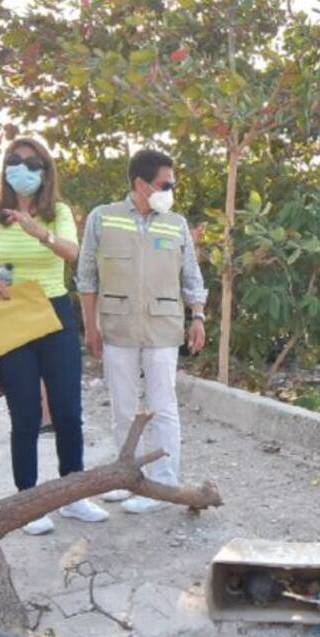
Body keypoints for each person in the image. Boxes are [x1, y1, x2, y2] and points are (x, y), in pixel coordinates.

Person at [0, 137, 108, 535]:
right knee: (25, 413)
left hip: (53, 311)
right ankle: (26, 501)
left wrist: (37, 231)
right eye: (15, 160)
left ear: (45, 171)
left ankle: (73, 495)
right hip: (12, 315)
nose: (23, 167)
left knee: (67, 410)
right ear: (5, 167)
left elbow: (72, 252)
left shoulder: (57, 211)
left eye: (33, 162)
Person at [77, 148, 208, 514]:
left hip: (163, 328)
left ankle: (164, 484)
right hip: (116, 326)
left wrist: (198, 316)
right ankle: (126, 477)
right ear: (140, 184)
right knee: (123, 407)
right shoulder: (103, 218)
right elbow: (87, 276)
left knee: (163, 406)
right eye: (165, 185)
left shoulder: (176, 223)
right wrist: (91, 327)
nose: (171, 191)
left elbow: (192, 276)